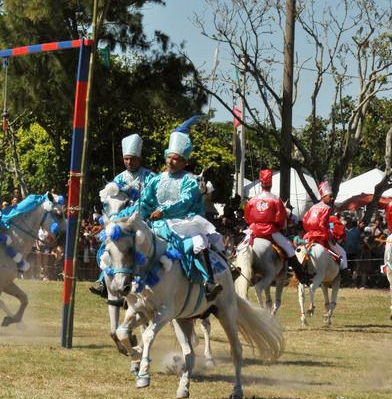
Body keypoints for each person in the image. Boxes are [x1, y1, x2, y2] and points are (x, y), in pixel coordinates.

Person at [127, 115, 224, 300]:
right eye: (169, 157)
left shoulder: (190, 181)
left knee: (199, 243)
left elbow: (186, 202)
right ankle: (123, 284)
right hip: (159, 224)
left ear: (184, 162)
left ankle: (209, 282)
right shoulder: (156, 179)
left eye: (176, 159)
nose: (171, 162)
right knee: (132, 241)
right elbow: (146, 202)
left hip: (186, 222)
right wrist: (131, 215)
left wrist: (164, 210)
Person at [89, 133, 154, 297]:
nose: (129, 162)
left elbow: (153, 199)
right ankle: (102, 281)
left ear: (139, 157)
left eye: (132, 158)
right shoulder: (118, 178)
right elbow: (110, 202)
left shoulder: (151, 177)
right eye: (126, 159)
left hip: (144, 220)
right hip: (121, 223)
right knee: (107, 247)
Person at [244, 168, 308, 282]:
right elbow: (280, 219)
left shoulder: (252, 200)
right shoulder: (275, 199)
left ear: (261, 184)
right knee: (289, 248)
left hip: (253, 231)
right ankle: (301, 276)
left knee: (240, 248)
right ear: (271, 184)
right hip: (270, 231)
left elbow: (247, 218)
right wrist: (279, 228)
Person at [301, 181, 349, 280]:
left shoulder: (313, 207)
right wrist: (331, 236)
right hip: (321, 236)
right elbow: (323, 225)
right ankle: (344, 276)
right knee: (342, 253)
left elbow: (305, 221)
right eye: (330, 196)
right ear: (324, 196)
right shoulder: (326, 208)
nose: (332, 199)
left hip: (309, 236)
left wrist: (310, 231)